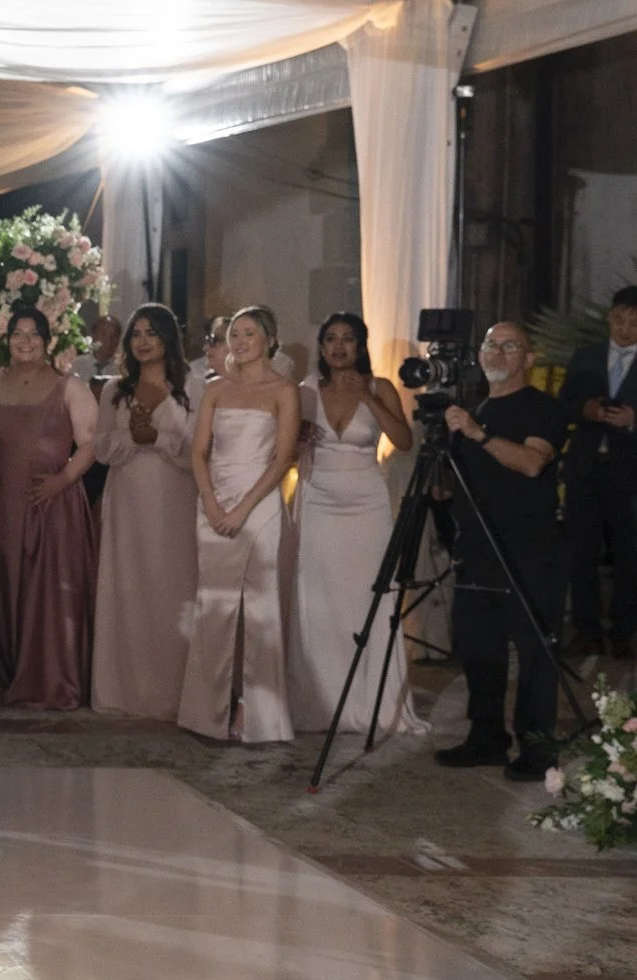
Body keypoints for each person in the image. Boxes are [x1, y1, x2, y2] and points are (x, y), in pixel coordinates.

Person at [435, 321, 570, 778]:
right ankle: (486, 736)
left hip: (531, 547)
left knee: (534, 648)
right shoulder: (475, 409)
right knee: (478, 644)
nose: (497, 353)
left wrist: (478, 436)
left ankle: (536, 746)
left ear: (529, 359)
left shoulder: (544, 409)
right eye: (491, 345)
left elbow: (533, 463)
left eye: (510, 346)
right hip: (477, 547)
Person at [289, 314, 422, 734]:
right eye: (330, 339)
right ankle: (320, 700)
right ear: (322, 346)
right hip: (318, 501)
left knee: (371, 596)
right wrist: (297, 438)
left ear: (361, 345)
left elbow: (403, 441)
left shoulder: (380, 386)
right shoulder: (306, 391)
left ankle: (375, 701)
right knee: (319, 598)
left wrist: (370, 398)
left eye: (348, 339)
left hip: (367, 504)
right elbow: (286, 449)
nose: (339, 347)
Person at [179, 306, 301, 744]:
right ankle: (205, 713)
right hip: (215, 501)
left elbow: (282, 458)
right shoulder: (215, 389)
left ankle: (259, 713)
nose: (239, 341)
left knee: (262, 610)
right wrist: (212, 504)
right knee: (213, 607)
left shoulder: (285, 391)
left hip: (261, 504)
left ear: (269, 339)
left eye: (249, 333)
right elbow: (198, 452)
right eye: (233, 334)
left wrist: (243, 509)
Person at [0, 306, 100, 709]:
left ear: (47, 342)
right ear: (6, 338)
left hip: (52, 505)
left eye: (34, 334)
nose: (25, 341)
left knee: (46, 594)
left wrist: (62, 480)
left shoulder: (69, 387)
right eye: (17, 333)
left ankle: (48, 679)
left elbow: (92, 444)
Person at [89, 305, 201, 720]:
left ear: (168, 338)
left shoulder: (194, 387)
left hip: (175, 493)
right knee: (129, 584)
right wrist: (131, 437)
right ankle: (123, 690)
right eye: (135, 333)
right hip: (128, 495)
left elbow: (199, 450)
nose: (142, 340)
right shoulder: (114, 389)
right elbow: (101, 446)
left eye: (151, 333)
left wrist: (158, 437)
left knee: (173, 582)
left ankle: (174, 691)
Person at [558, 285, 637, 657]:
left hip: (630, 473)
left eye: (634, 323)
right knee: (581, 553)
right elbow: (563, 405)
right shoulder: (586, 356)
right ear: (609, 317)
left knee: (629, 554)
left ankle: (625, 631)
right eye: (619, 320)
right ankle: (587, 629)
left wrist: (633, 420)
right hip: (586, 467)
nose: (625, 330)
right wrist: (585, 410)